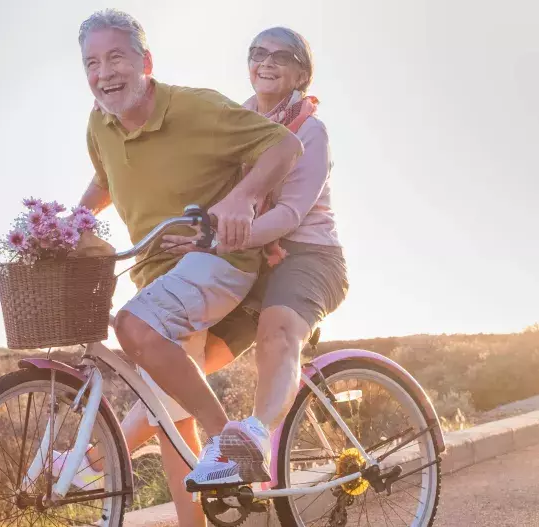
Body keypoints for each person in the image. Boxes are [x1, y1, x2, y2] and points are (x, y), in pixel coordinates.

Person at [73, 9, 303, 525]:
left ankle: (231, 441)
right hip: (157, 274)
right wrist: (72, 220)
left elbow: (285, 145)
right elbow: (106, 178)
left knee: (132, 324)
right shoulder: (99, 122)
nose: (104, 73)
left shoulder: (197, 108)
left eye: (116, 58)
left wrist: (243, 198)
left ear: (145, 62)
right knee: (168, 417)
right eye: (92, 63)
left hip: (217, 260)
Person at [119, 23, 348, 513]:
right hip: (246, 263)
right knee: (179, 370)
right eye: (257, 53)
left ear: (301, 73)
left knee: (277, 331)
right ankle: (100, 455)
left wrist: (218, 237)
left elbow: (288, 216)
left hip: (308, 256)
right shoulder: (238, 119)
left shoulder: (309, 129)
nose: (266, 62)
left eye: (280, 56)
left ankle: (253, 438)